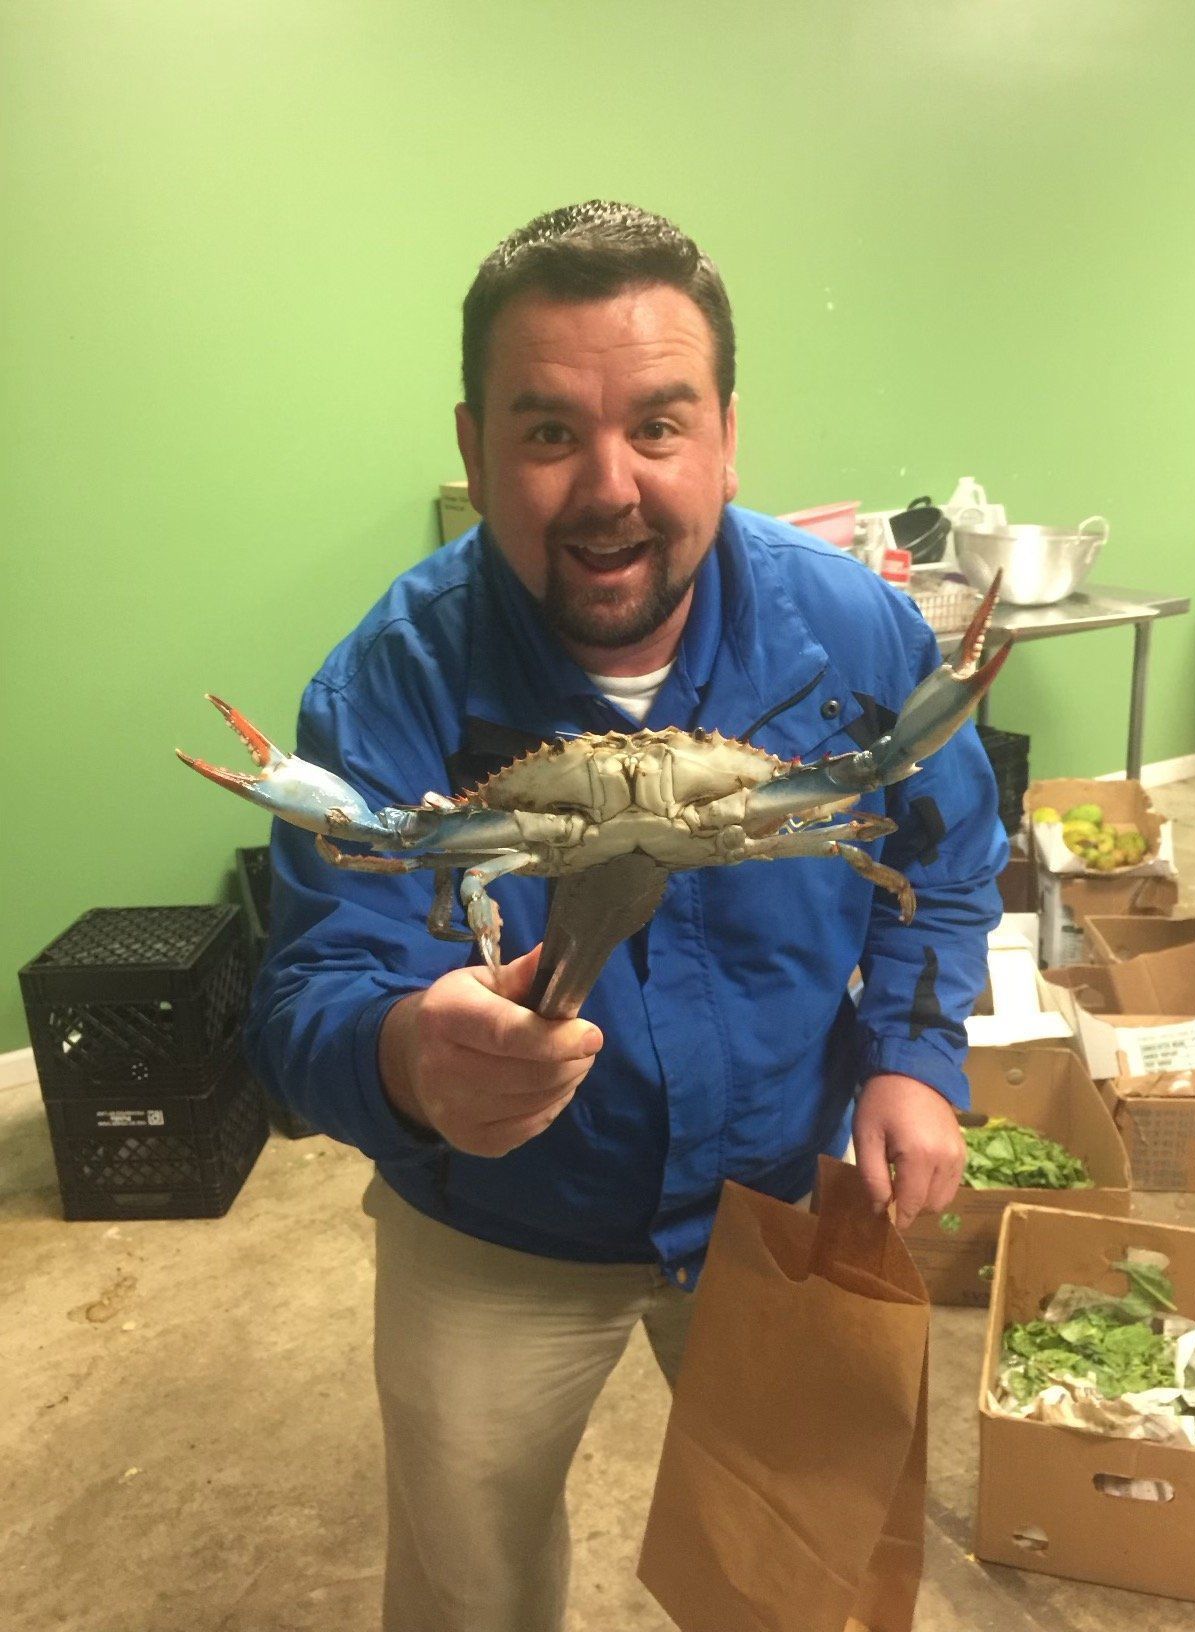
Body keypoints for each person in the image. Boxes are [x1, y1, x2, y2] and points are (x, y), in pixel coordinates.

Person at [246, 201, 1008, 1632]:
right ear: (473, 452)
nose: (611, 485)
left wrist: (917, 1055)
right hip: (495, 1224)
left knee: (803, 1586)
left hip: (772, 1191)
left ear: (726, 434)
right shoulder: (390, 682)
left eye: (659, 426)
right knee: (466, 1596)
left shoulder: (852, 635)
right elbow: (311, 984)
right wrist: (410, 1054)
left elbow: (945, 851)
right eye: (548, 434)